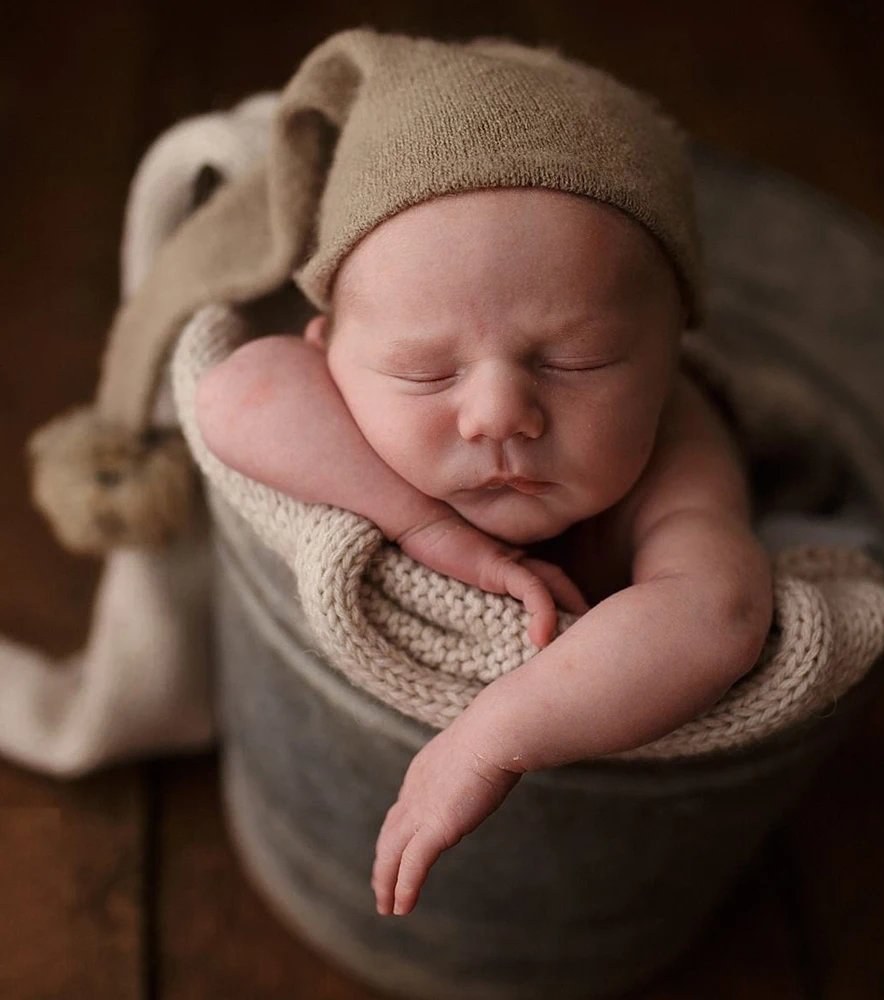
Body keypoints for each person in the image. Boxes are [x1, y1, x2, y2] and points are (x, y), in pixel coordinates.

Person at [192, 30, 773, 917]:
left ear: (671, 360)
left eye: (579, 360)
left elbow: (718, 614)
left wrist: (488, 743)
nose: (499, 413)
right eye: (428, 371)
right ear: (328, 354)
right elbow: (234, 392)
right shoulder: (330, 389)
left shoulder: (679, 450)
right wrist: (422, 524)